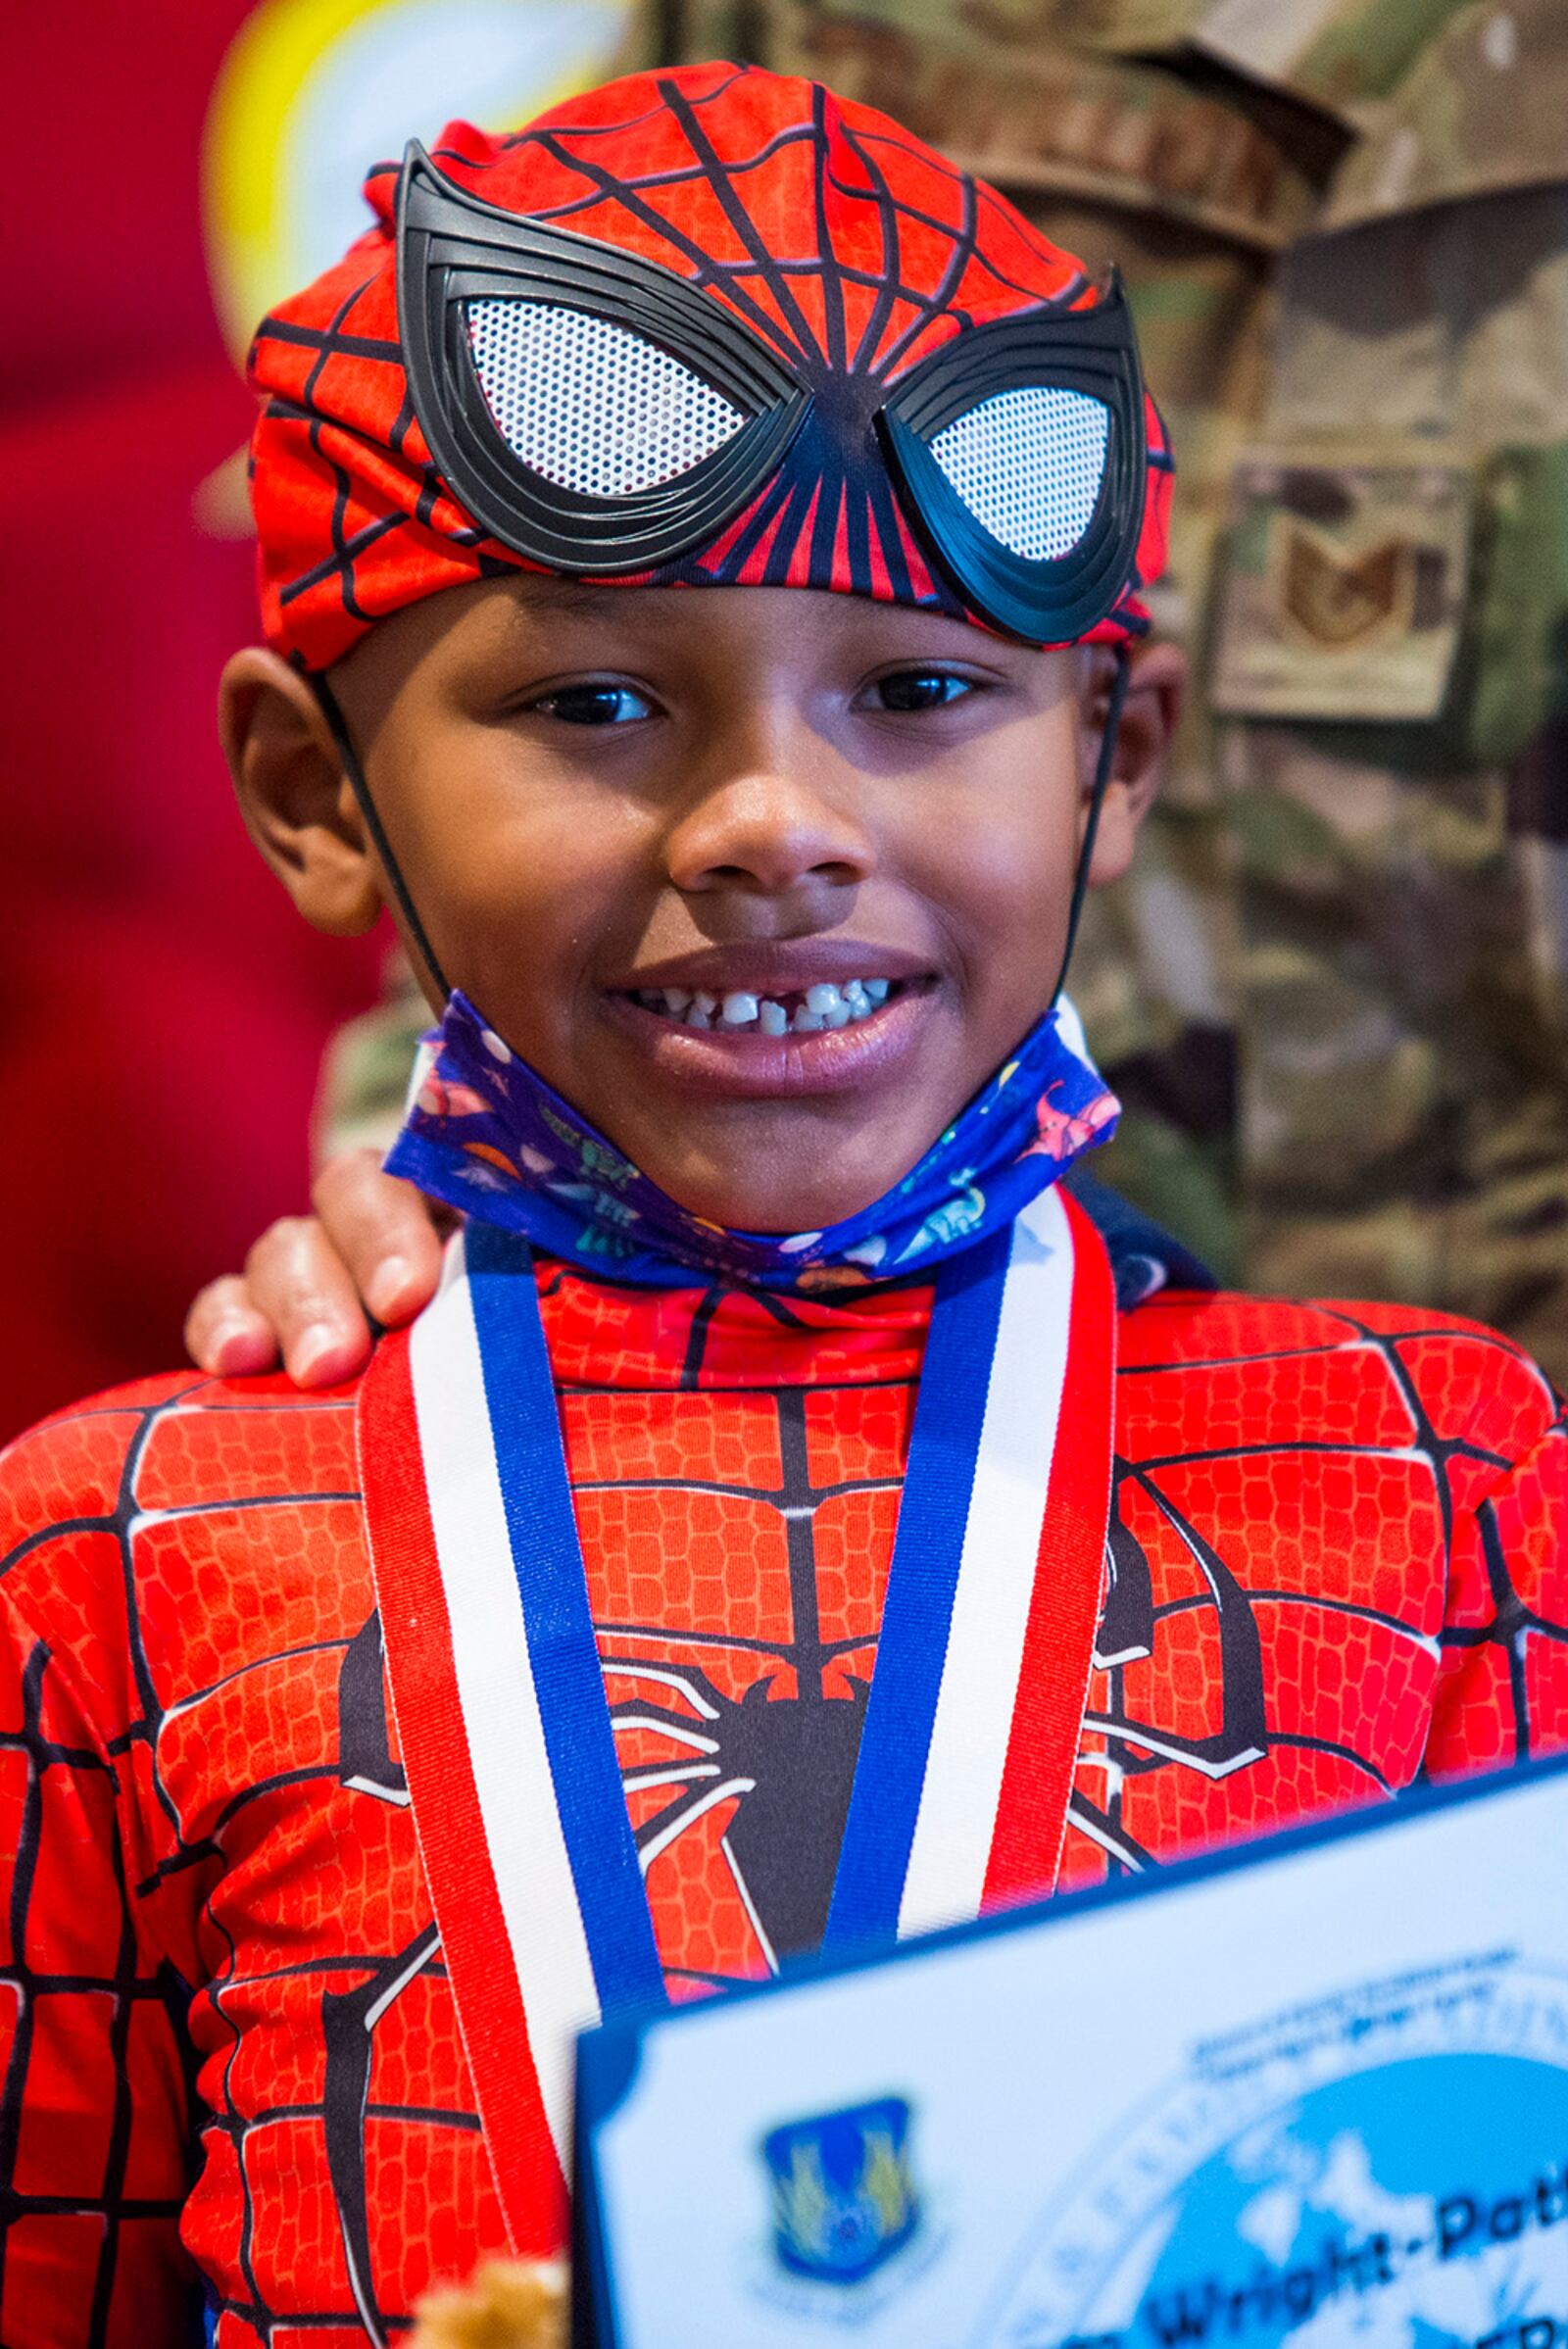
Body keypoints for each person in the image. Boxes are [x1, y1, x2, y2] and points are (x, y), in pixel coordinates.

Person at [1, 59, 1563, 2345]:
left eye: (923, 686)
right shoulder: (116, 1552)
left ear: (1111, 759)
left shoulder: (1445, 1480)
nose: (771, 820)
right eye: (601, 700)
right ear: (307, 790)